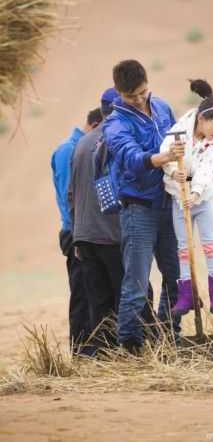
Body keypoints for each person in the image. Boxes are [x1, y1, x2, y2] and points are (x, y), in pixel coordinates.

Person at [102, 59, 185, 354]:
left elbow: (181, 136)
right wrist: (165, 157)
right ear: (118, 92)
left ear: (148, 83)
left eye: (143, 92)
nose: (139, 100)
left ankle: (168, 338)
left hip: (170, 204)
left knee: (176, 279)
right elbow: (133, 160)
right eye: (130, 96)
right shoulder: (114, 124)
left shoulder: (161, 106)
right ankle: (130, 346)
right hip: (138, 210)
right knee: (136, 285)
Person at [68, 87, 155, 353]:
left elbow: (70, 195)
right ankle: (145, 352)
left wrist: (76, 236)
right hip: (114, 234)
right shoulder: (115, 141)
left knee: (100, 303)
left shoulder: (81, 144)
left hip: (85, 236)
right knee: (137, 294)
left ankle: (105, 358)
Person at [160, 79, 213, 315]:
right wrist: (172, 170)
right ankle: (186, 296)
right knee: (184, 247)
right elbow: (165, 154)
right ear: (202, 118)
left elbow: (207, 170)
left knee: (210, 244)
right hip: (178, 196)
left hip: (201, 197)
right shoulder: (178, 131)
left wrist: (196, 192)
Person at [51, 108, 102, 352]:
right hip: (75, 231)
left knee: (93, 291)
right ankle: (81, 354)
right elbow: (67, 196)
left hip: (86, 229)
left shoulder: (79, 147)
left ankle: (94, 350)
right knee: (81, 293)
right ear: (94, 126)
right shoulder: (67, 150)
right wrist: (79, 235)